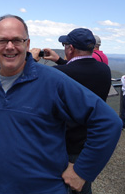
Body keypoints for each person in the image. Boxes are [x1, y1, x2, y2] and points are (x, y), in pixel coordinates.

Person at [0, 14, 122, 194]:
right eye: (2, 41)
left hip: (46, 189)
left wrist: (82, 171)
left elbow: (109, 122)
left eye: (17, 40)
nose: (10, 46)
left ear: (27, 44)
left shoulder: (53, 80)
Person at [33, 28, 111, 194]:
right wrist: (60, 60)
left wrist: (30, 59)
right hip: (88, 145)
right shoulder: (104, 71)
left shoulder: (57, 74)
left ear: (71, 48)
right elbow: (78, 74)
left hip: (64, 148)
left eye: (65, 44)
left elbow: (30, 79)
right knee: (82, 187)